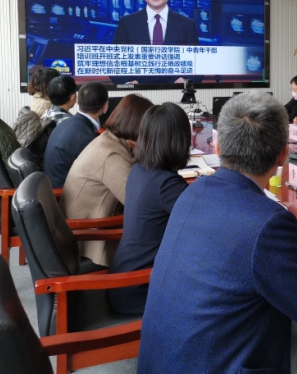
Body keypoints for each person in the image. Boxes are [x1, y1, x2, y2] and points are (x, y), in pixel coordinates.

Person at [138, 92, 297, 374]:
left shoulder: (194, 191)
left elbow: (245, 253)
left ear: (218, 145)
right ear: (283, 155)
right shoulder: (268, 221)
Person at [107, 102, 190, 315]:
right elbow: (207, 225)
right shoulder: (167, 185)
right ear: (181, 140)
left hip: (125, 282)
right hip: (141, 290)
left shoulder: (139, 170)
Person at [61, 94, 154, 266]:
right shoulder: (111, 155)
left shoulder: (109, 140)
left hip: (84, 228)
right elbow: (140, 205)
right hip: (91, 241)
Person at [112, 0, 198, 85]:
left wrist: (186, 81)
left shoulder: (187, 25)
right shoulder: (126, 23)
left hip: (176, 92)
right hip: (137, 93)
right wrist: (128, 84)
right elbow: (115, 63)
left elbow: (197, 64)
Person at [43, 81, 108, 189]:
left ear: (78, 102)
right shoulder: (86, 137)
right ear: (105, 106)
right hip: (63, 193)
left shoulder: (64, 123)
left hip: (52, 186)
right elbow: (98, 173)